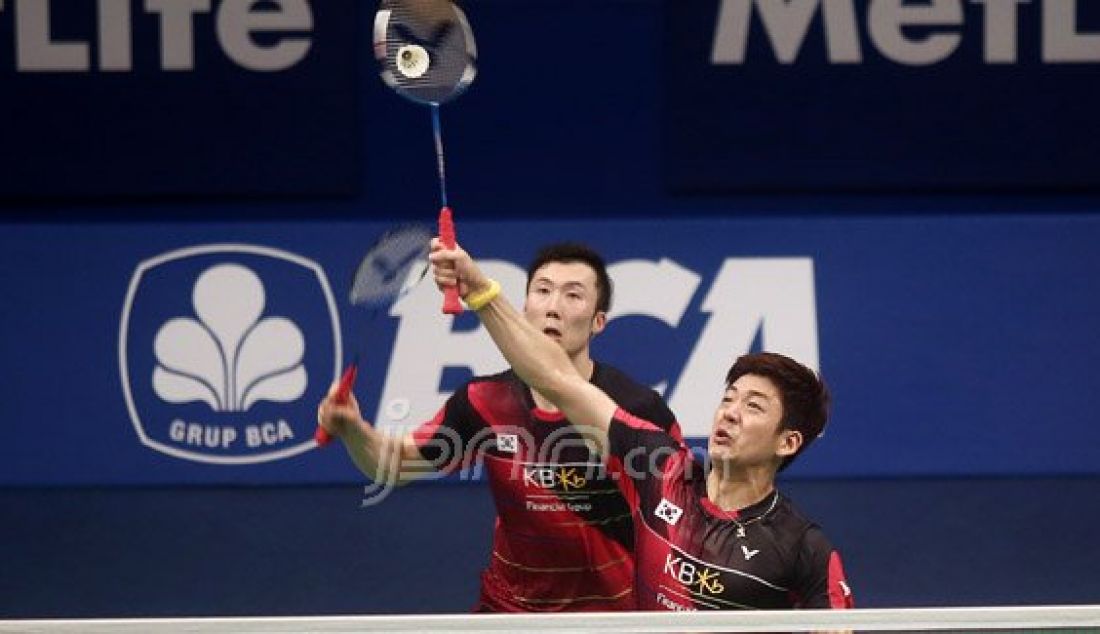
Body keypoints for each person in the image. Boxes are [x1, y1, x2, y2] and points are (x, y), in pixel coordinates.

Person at [428, 240, 855, 611]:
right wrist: (481, 291)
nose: (729, 412)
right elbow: (556, 380)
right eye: (728, 398)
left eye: (753, 406)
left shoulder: (803, 548)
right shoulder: (661, 471)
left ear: (788, 441)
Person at [317, 242, 680, 612]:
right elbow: (392, 465)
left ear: (598, 321)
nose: (553, 307)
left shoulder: (636, 411)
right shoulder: (483, 401)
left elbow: (680, 527)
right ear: (523, 309)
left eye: (573, 295)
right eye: (542, 291)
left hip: (610, 614)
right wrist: (353, 429)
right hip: (509, 612)